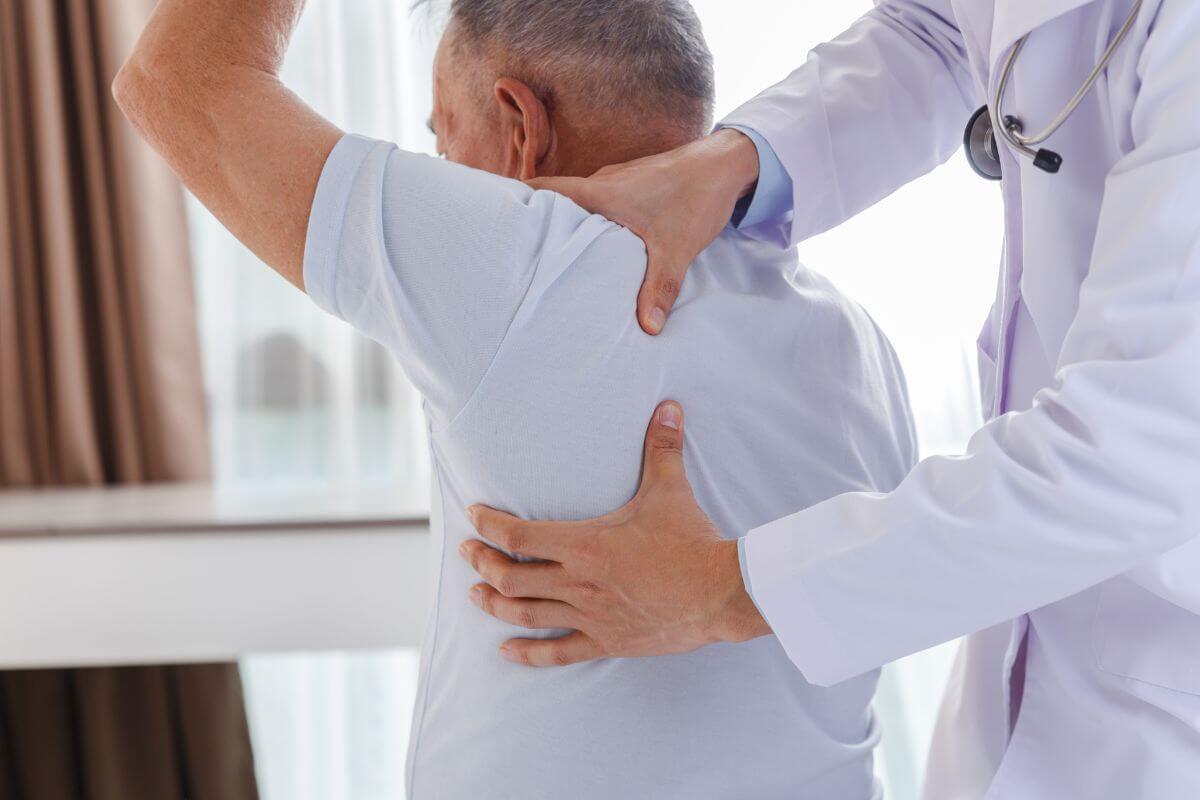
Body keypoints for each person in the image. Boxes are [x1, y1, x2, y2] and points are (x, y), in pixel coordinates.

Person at [113, 0, 919, 797]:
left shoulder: (527, 261)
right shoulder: (859, 345)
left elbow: (174, 81)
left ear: (518, 125)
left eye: (440, 133)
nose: (440, 160)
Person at [455, 1, 1200, 798]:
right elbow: (941, 29)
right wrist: (735, 161)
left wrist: (724, 590)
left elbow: (1131, 451)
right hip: (1030, 668)